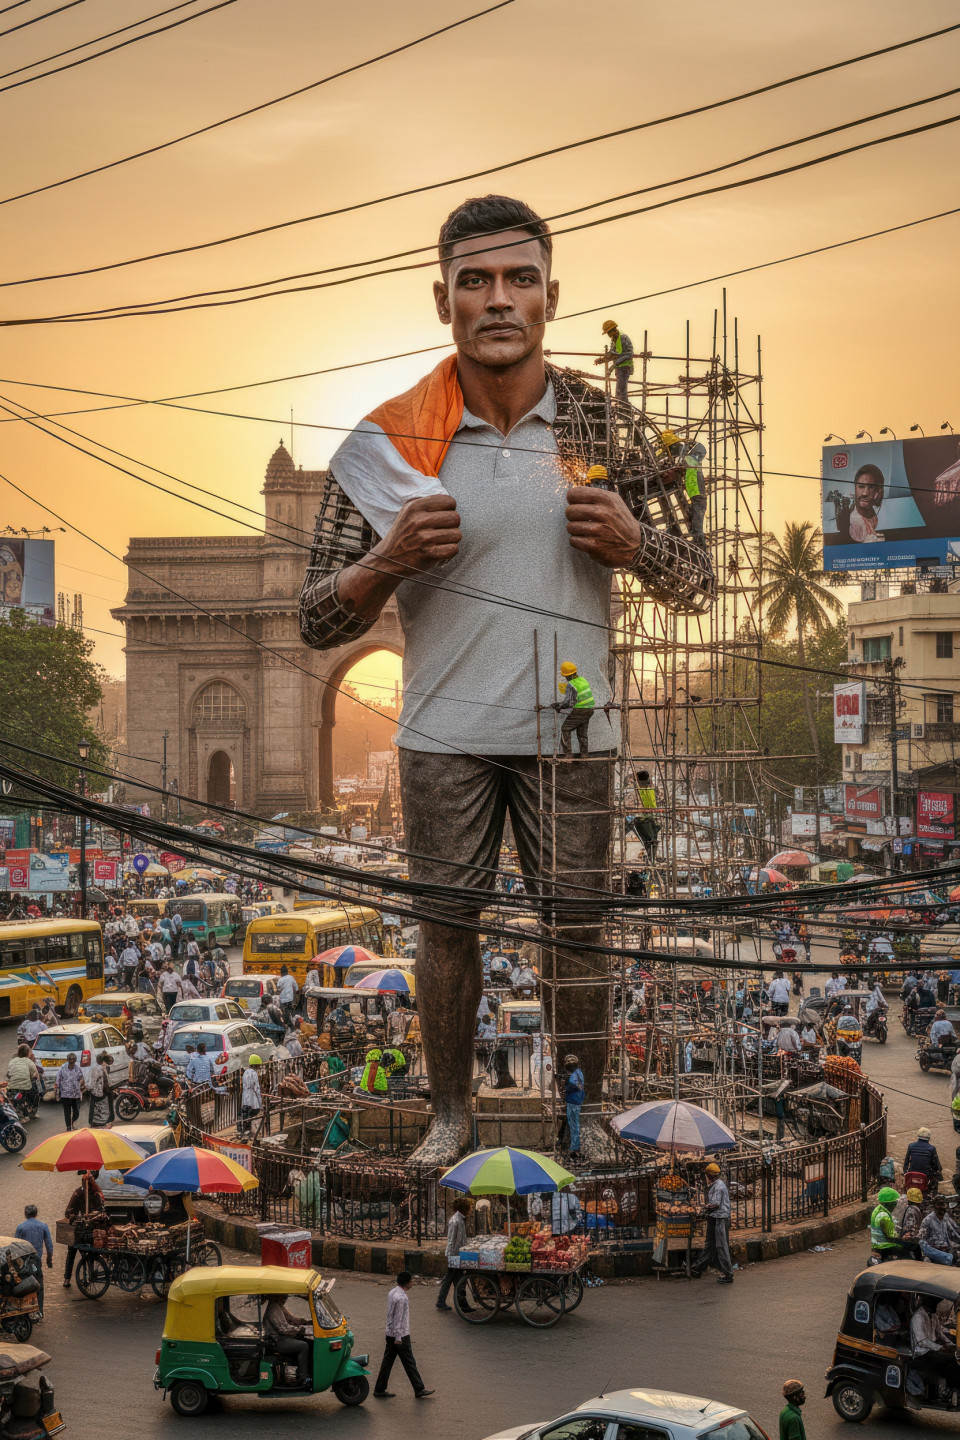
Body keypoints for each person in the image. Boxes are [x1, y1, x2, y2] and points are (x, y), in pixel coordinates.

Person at [297, 194, 712, 1165]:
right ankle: (450, 1117)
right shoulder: (389, 441)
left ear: (551, 296)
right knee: (446, 932)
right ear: (442, 300)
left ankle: (590, 1114)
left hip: (574, 732)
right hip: (443, 731)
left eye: (519, 279)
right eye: (474, 281)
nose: (497, 299)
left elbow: (695, 582)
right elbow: (317, 619)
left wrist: (636, 539)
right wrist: (384, 561)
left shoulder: (606, 427)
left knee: (579, 931)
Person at [374, 1271, 434, 1399]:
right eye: (412, 1281)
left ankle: (379, 1389)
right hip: (400, 1335)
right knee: (409, 1362)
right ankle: (419, 1389)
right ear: (407, 1283)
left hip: (390, 1333)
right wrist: (399, 1337)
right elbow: (399, 1318)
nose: (413, 1283)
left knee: (388, 1362)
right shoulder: (402, 1298)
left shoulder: (392, 1292)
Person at [693, 1162, 733, 1284]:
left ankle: (728, 1274)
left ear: (708, 1175)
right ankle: (697, 1268)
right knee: (710, 1244)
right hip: (714, 1217)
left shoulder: (718, 1186)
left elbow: (715, 1203)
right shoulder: (717, 1184)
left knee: (721, 1246)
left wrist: (705, 1207)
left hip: (719, 1218)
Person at [62, 1172, 104, 1288]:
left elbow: (100, 1210)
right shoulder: (81, 1193)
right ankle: (68, 1278)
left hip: (88, 1228)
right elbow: (68, 1212)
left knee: (77, 1253)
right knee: (74, 1251)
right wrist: (75, 1216)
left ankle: (70, 1278)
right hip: (80, 1228)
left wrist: (91, 1216)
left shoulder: (93, 1193)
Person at [263, 1292, 311, 1385]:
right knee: (304, 1346)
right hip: (277, 1341)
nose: (285, 1298)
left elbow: (291, 1319)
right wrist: (299, 1329)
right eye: (283, 1296)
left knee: (306, 1341)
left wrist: (306, 1322)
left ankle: (302, 1370)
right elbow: (283, 1328)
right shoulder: (273, 1309)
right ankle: (303, 1377)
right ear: (276, 1296)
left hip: (281, 1337)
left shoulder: (278, 1306)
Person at [15, 1204, 53, 1316]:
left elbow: (16, 1244)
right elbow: (49, 1244)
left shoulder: (21, 1227)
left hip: (23, 1262)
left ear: (25, 1214)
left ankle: (24, 1312)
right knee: (39, 1286)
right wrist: (49, 1259)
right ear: (36, 1214)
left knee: (23, 1286)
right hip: (36, 1260)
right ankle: (39, 1311)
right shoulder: (43, 1226)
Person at [436, 1198, 471, 1312]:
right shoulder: (455, 1221)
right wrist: (453, 1258)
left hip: (457, 1254)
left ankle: (462, 1304)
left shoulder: (460, 1219)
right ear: (464, 1209)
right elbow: (451, 1240)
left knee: (458, 1279)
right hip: (454, 1255)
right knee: (452, 1279)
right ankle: (443, 1302)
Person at [554, 661, 594, 757]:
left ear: (569, 676)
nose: (565, 678)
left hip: (579, 710)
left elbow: (569, 703)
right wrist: (561, 706)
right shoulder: (583, 680)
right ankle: (584, 755)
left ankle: (568, 755)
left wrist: (558, 706)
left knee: (564, 729)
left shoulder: (571, 685)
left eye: (566, 676)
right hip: (589, 710)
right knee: (582, 733)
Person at [594, 317, 634, 404]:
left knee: (621, 394)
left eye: (609, 332)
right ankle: (622, 411)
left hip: (625, 367)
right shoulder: (614, 340)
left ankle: (625, 413)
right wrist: (602, 360)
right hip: (619, 368)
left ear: (614, 329)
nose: (609, 335)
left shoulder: (623, 338)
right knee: (619, 393)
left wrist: (612, 366)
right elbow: (612, 355)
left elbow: (629, 354)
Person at [871, 1186, 910, 1261]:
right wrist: (903, 1239)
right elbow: (890, 1237)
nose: (895, 1205)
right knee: (910, 1249)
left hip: (876, 1244)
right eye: (894, 1203)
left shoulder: (877, 1210)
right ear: (889, 1204)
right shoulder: (884, 1216)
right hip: (884, 1246)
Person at [919, 1196, 960, 1265]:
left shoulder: (945, 1218)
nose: (942, 1207)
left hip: (947, 1253)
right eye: (939, 1204)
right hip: (935, 1256)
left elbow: (953, 1234)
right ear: (934, 1206)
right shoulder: (928, 1220)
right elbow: (921, 1241)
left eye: (944, 1204)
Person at [631, 771, 661, 861]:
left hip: (642, 818)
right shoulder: (652, 788)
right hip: (651, 817)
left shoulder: (637, 789)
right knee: (652, 840)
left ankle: (651, 859)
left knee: (649, 840)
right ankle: (651, 858)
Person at [6, 1044, 40, 1114]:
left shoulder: (12, 1061)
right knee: (35, 1093)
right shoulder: (29, 1062)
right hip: (25, 1087)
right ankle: (31, 1106)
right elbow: (34, 1074)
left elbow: (9, 1073)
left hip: (12, 1086)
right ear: (28, 1052)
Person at [55, 1051, 84, 1130]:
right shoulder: (63, 1068)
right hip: (65, 1094)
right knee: (67, 1112)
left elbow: (81, 1078)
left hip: (76, 1094)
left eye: (73, 1060)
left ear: (75, 1060)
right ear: (67, 1060)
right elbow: (58, 1080)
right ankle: (68, 1127)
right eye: (70, 1059)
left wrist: (81, 1085)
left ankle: (73, 1123)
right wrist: (56, 1092)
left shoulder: (78, 1069)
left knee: (76, 1111)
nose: (71, 1061)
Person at [563, 1053, 584, 1159]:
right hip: (573, 1101)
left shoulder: (576, 1073)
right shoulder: (576, 1073)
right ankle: (573, 1146)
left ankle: (575, 1149)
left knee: (574, 1126)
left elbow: (577, 1086)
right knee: (573, 1125)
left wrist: (567, 1085)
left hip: (574, 1102)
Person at [240, 1054, 262, 1133]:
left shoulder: (246, 1072)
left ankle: (246, 1130)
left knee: (246, 1113)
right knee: (254, 1110)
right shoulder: (254, 1073)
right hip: (252, 1095)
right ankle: (250, 1130)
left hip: (245, 1095)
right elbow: (256, 1088)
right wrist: (260, 1102)